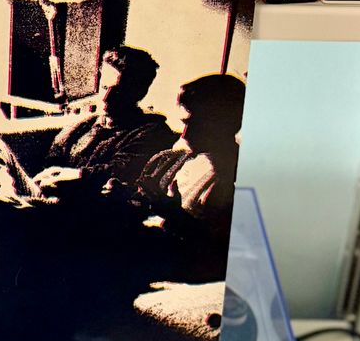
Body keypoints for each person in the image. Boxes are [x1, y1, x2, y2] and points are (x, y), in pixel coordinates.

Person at [33, 46, 177, 198]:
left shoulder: (151, 132)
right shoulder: (84, 125)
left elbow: (122, 170)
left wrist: (78, 175)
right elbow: (53, 158)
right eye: (104, 87)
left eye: (117, 91)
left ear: (139, 93)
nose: (105, 98)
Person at [138, 73, 246, 249]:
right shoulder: (183, 159)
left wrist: (174, 215)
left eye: (198, 124)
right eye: (185, 123)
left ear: (228, 123)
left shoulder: (235, 178)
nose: (185, 134)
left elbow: (220, 247)